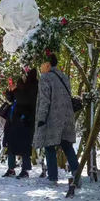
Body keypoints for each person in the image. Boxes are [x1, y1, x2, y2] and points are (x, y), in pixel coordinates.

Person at [33, 54, 79, 185]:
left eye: (42, 64)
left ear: (47, 64)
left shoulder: (45, 78)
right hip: (66, 116)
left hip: (52, 118)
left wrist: (41, 118)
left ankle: (53, 178)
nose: (41, 67)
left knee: (49, 146)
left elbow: (45, 100)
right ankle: (77, 174)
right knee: (67, 145)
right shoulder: (64, 77)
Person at [3, 69, 38, 178]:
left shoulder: (33, 86)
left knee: (24, 147)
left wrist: (15, 91)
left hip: (25, 121)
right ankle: (11, 168)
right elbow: (14, 99)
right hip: (15, 120)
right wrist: (10, 92)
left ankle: (25, 170)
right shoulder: (22, 88)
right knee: (11, 144)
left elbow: (25, 100)